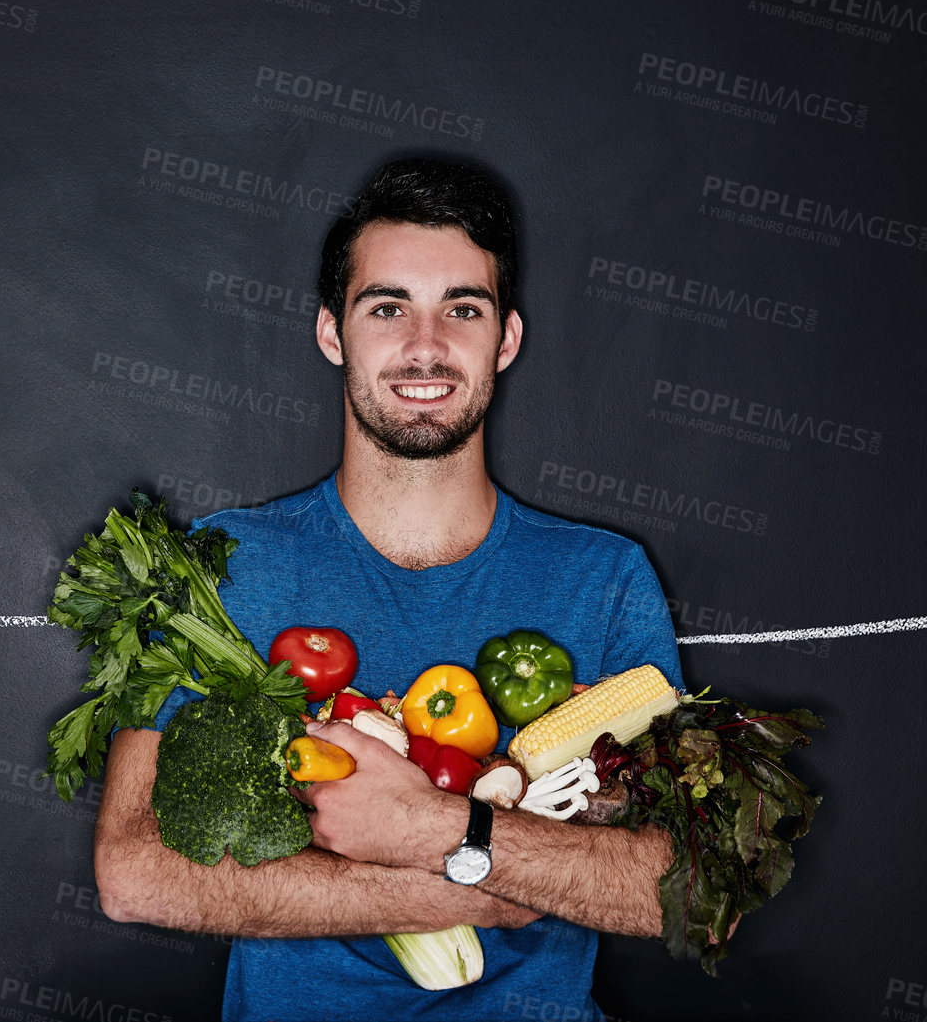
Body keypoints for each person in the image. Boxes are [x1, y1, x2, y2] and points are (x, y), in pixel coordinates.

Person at [93, 157, 685, 1022]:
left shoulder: (601, 578)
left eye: (463, 309)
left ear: (505, 339)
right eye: (387, 306)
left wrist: (431, 830)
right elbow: (132, 870)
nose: (425, 345)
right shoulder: (225, 568)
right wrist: (483, 887)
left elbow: (670, 888)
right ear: (333, 332)